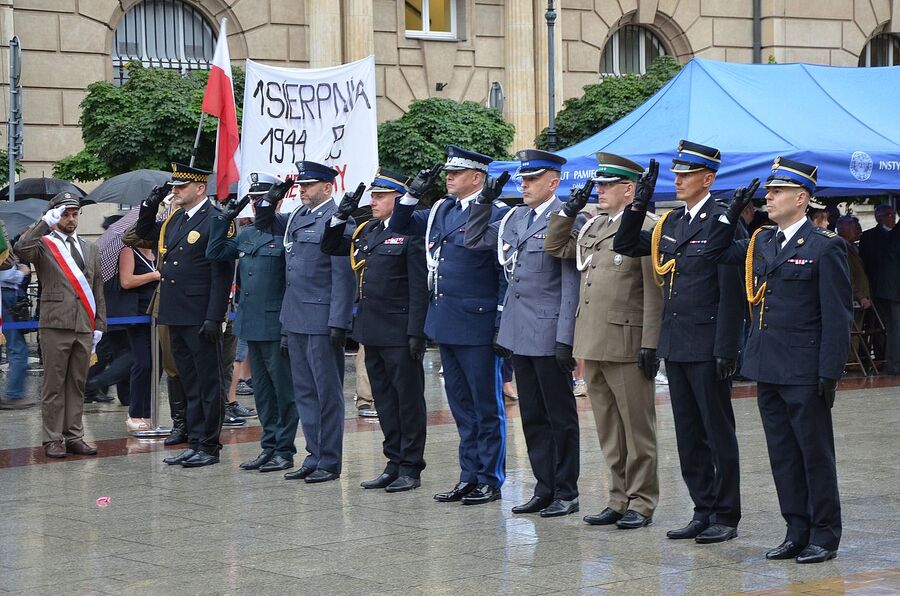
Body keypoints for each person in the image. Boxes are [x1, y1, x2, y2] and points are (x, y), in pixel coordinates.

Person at [704, 158, 852, 564]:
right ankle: (796, 529)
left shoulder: (826, 246)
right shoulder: (762, 242)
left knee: (814, 454)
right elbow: (715, 252)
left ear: (801, 199)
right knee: (783, 454)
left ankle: (824, 533)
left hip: (805, 370)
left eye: (778, 191)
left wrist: (830, 372)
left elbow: (838, 316)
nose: (768, 197)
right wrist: (731, 214)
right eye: (768, 191)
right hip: (767, 365)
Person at [613, 140, 745, 544]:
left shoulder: (724, 219)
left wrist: (726, 347)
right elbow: (625, 245)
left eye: (686, 175)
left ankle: (726, 513)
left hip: (707, 344)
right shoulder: (670, 223)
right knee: (688, 434)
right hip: (676, 342)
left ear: (708, 178)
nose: (678, 180)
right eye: (676, 174)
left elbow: (731, 290)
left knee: (716, 432)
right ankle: (702, 507)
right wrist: (641, 202)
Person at [545, 153, 663, 529]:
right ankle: (617, 497)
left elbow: (653, 291)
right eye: (599, 184)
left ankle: (641, 501)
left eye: (607, 185)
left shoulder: (646, 226)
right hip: (593, 340)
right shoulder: (593, 228)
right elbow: (556, 247)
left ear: (629, 190)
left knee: (636, 429)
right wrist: (567, 211)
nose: (600, 190)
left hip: (626, 342)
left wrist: (650, 343)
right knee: (609, 429)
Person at [388, 146, 510, 506]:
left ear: (477, 178)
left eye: (456, 173)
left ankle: (490, 478)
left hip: (478, 320)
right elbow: (398, 225)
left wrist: (501, 321)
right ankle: (468, 475)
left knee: (486, 407)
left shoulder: (496, 213)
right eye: (447, 173)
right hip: (446, 320)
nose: (448, 178)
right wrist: (410, 195)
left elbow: (503, 272)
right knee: (461, 407)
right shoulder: (442, 209)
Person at [464, 149, 582, 517]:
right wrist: (484, 201)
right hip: (519, 330)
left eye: (532, 179)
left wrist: (566, 337)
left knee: (559, 417)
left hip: (548, 331)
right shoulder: (514, 216)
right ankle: (543, 487)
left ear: (553, 182)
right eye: (523, 179)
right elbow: (474, 239)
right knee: (531, 415)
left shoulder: (567, 218)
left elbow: (570, 284)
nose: (524, 185)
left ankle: (566, 490)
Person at [321, 168, 429, 492]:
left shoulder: (410, 232)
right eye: (374, 195)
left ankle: (411, 466)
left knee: (407, 401)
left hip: (399, 330)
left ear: (399, 198)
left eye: (381, 196)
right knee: (383, 400)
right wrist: (340, 217)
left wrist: (416, 332)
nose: (374, 200)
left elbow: (418, 287)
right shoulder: (367, 230)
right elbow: (330, 246)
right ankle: (393, 461)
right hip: (371, 329)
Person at [255, 160, 355, 483]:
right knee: (305, 392)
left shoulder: (338, 220)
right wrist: (272, 197)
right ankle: (313, 454)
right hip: (295, 316)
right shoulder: (298, 216)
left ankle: (329, 460)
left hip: (321, 318)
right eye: (300, 185)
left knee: (327, 393)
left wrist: (339, 322)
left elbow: (342, 277)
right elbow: (265, 223)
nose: (302, 190)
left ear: (328, 187)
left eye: (308, 185)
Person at [135, 162, 233, 468]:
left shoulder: (217, 220)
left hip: (200, 313)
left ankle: (209, 445)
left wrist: (214, 317)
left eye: (181, 187)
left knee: (209, 382)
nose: (175, 191)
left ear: (200, 188)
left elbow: (221, 273)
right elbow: (143, 233)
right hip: (175, 312)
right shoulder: (175, 219)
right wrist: (150, 204)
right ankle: (194, 440)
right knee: (189, 382)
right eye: (174, 186)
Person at [207, 172, 300, 473]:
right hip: (250, 323)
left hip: (275, 324)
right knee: (261, 389)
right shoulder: (246, 235)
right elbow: (215, 252)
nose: (257, 205)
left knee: (282, 390)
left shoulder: (285, 229)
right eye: (253, 199)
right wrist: (225, 218)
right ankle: (268, 446)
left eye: (262, 199)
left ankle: (284, 449)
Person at [14, 192, 106, 458]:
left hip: (84, 324)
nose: (71, 219)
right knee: (54, 385)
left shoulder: (90, 248)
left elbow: (97, 287)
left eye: (75, 214)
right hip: (55, 323)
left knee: (77, 383)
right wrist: (44, 222)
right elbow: (21, 249)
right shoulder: (43, 244)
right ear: (55, 215)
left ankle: (74, 435)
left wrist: (99, 323)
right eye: (65, 214)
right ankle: (52, 438)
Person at [118, 241, 160, 430]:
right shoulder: (129, 251)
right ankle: (135, 412)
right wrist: (154, 275)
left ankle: (148, 411)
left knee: (157, 365)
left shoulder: (157, 252)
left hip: (157, 315)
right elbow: (126, 281)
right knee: (143, 363)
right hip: (137, 315)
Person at [858, 203, 899, 374]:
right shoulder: (869, 237)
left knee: (892, 329)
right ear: (878, 218)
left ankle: (891, 363)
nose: (892, 218)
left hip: (887, 289)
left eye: (893, 214)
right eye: (888, 215)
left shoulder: (886, 234)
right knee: (893, 329)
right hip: (886, 289)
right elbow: (864, 264)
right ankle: (893, 365)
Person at [0, 249, 34, 410]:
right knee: (18, 348)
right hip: (5, 295)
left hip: (6, 295)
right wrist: (21, 272)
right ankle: (14, 394)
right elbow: (4, 275)